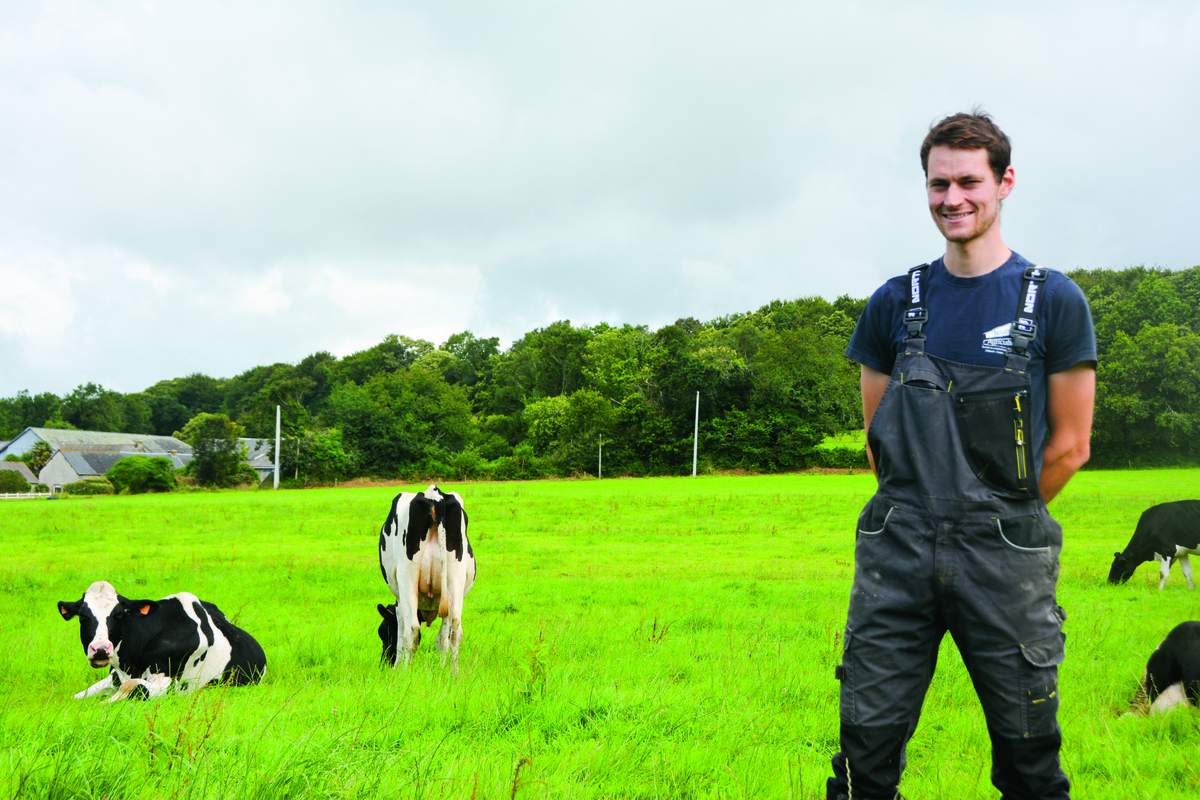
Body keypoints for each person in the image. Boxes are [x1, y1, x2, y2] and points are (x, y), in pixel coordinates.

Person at [826, 111, 1097, 799]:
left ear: (1004, 183)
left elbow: (1070, 446)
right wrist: (924, 517)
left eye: (969, 181)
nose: (953, 199)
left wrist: (1003, 518)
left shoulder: (1054, 301)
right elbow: (877, 437)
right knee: (864, 756)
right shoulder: (895, 304)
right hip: (900, 552)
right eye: (938, 183)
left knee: (1030, 758)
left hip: (1004, 559)